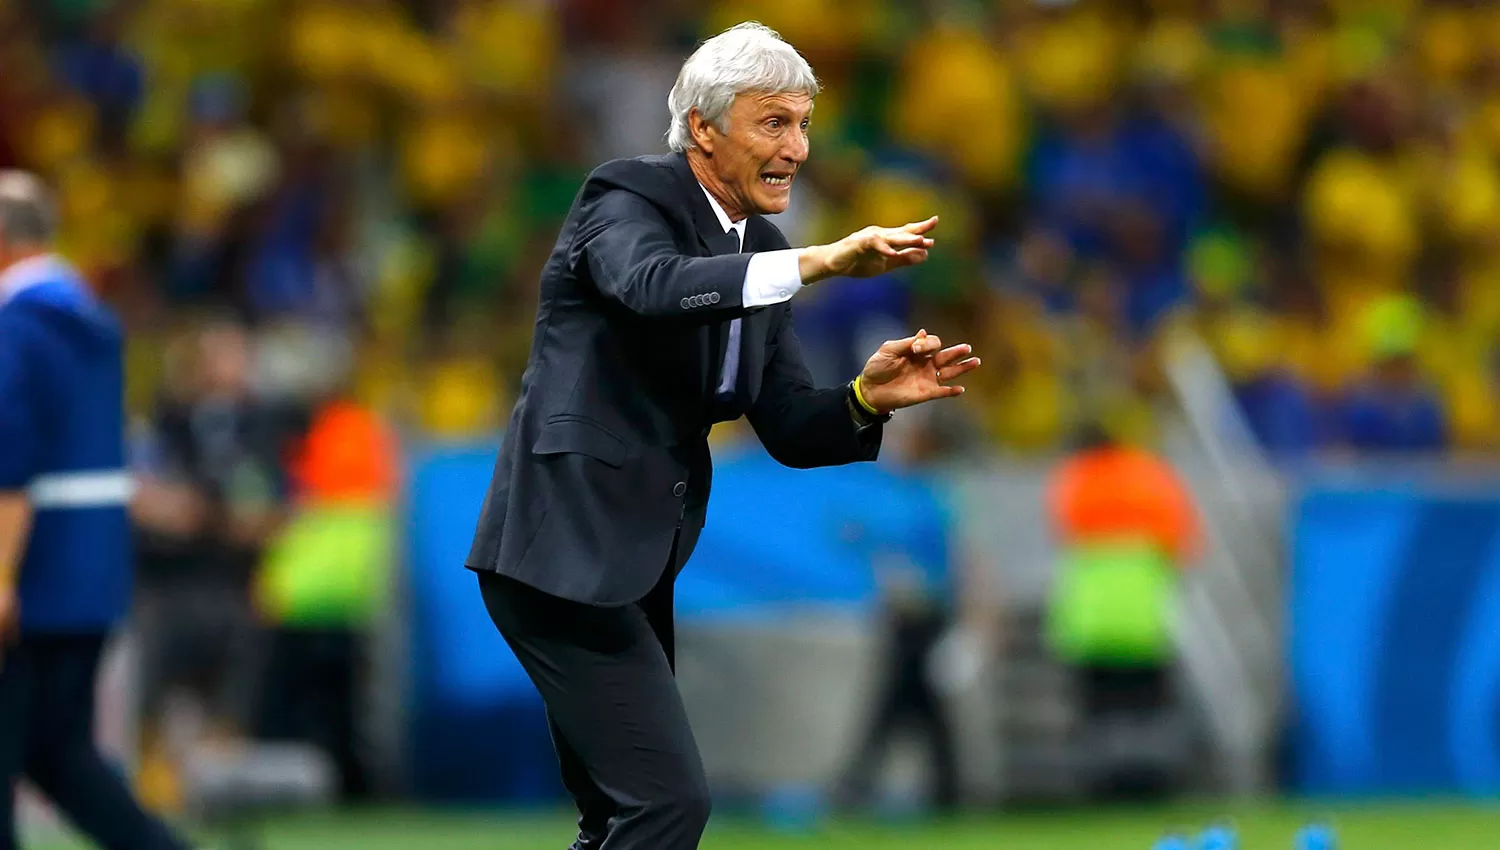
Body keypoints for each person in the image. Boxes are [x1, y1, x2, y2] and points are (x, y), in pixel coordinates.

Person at [466, 22, 981, 850]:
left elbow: (786, 425)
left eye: (805, 124)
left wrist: (864, 397)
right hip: (561, 550)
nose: (799, 147)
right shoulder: (626, 195)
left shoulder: (758, 249)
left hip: (629, 561)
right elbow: (654, 285)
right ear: (703, 128)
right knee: (666, 806)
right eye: (773, 122)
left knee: (619, 814)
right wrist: (818, 263)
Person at [0, 171, 193, 849]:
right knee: (60, 755)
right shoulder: (92, 322)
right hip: (90, 574)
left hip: (28, 576)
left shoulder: (17, 326)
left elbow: (10, 458)